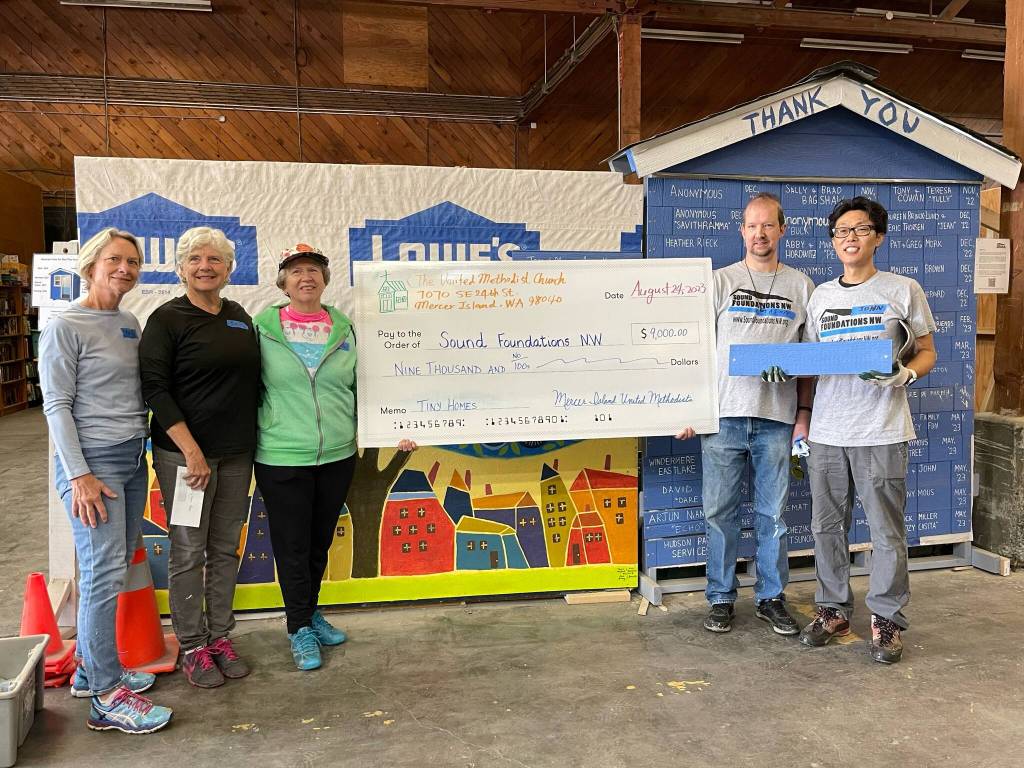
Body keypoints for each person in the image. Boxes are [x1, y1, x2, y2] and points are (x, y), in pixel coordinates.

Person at [253, 244, 416, 670]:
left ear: (325, 280)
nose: (305, 277)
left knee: (319, 542)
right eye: (295, 271)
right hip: (282, 455)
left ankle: (309, 613)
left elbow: (367, 387)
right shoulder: (262, 329)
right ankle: (298, 628)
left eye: (313, 270)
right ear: (283, 282)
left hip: (337, 455)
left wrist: (394, 424)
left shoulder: (345, 328)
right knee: (292, 546)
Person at [40, 227, 173, 734]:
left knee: (113, 569)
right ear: (91, 265)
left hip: (130, 456)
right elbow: (56, 405)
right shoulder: (65, 325)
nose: (125, 269)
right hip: (93, 464)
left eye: (133, 262)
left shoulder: (127, 321)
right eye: (115, 260)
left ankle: (95, 672)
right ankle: (104, 698)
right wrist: (81, 476)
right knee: (100, 574)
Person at [796, 196, 936, 664]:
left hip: (882, 428)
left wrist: (904, 376)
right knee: (826, 526)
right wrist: (781, 368)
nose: (849, 238)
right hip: (829, 430)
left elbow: (927, 353)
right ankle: (832, 609)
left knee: (886, 532)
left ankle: (886, 620)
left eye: (859, 229)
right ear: (833, 240)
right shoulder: (821, 296)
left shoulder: (902, 290)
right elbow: (811, 362)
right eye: (840, 231)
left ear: (878, 235)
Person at [676, 192, 814, 636]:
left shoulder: (801, 286)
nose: (760, 233)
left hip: (777, 418)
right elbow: (692, 353)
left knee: (773, 516)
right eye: (752, 225)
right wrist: (689, 409)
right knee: (720, 513)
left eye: (768, 225)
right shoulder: (719, 282)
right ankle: (720, 597)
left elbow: (811, 359)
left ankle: (771, 598)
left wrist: (804, 414)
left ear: (782, 229)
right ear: (742, 230)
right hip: (722, 419)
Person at [139, 226, 261, 688]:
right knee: (189, 550)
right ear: (181, 268)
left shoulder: (237, 315)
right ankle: (192, 645)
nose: (205, 267)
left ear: (229, 269)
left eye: (215, 260)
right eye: (195, 260)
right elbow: (156, 389)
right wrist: (191, 451)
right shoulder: (167, 319)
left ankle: (221, 636)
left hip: (236, 456)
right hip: (185, 459)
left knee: (225, 548)